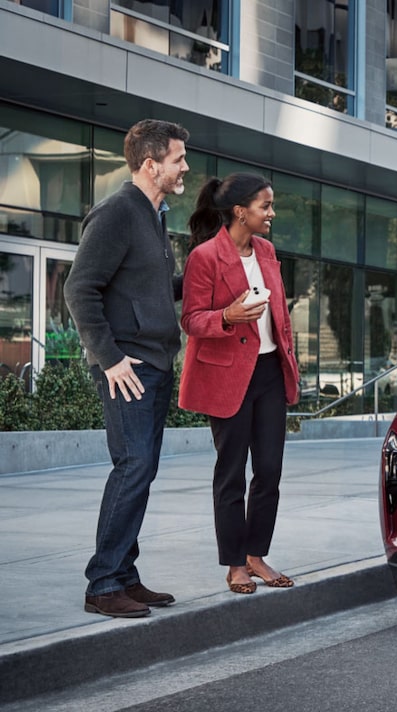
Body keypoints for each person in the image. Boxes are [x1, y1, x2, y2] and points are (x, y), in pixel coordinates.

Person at [65, 119, 190, 618]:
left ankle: (125, 574)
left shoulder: (154, 216)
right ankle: (103, 583)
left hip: (156, 361)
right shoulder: (117, 212)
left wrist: (209, 271)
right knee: (133, 466)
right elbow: (80, 290)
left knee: (144, 468)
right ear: (150, 163)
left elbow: (156, 290)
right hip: (128, 365)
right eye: (178, 159)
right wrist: (110, 358)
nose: (185, 167)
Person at [179, 173, 300, 595]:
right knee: (231, 473)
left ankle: (256, 555)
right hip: (227, 375)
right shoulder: (205, 257)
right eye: (265, 206)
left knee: (269, 471)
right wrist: (227, 317)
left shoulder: (267, 251)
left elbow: (278, 312)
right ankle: (235, 565)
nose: (271, 213)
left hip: (268, 371)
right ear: (239, 212)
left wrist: (289, 356)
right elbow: (191, 319)